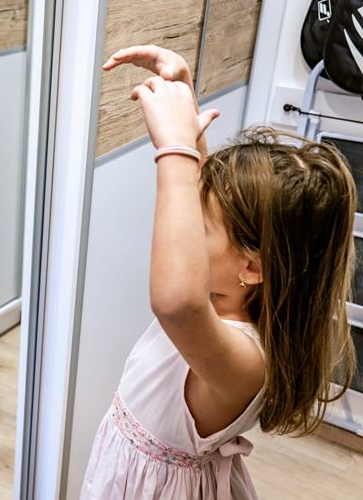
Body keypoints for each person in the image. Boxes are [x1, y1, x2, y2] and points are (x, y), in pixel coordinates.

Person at [81, 45, 357, 499]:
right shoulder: (231, 296)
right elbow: (205, 200)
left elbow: (177, 302)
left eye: (200, 224)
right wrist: (184, 99)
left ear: (252, 267)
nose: (186, 225)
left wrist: (173, 150)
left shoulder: (245, 360)